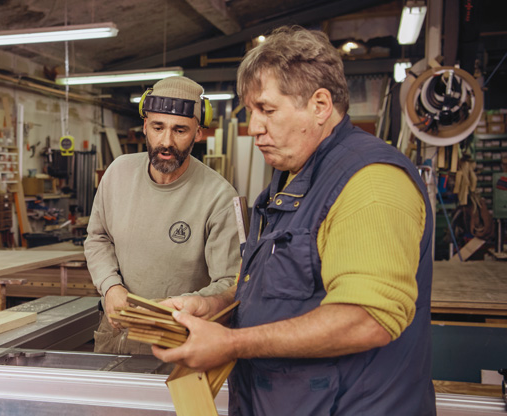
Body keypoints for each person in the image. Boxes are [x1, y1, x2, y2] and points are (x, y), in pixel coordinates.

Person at [152, 26, 435, 415]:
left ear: (319, 105)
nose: (254, 128)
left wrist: (232, 343)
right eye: (250, 111)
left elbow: (366, 320)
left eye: (266, 110)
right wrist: (214, 305)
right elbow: (280, 288)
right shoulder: (291, 179)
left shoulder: (370, 183)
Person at [85, 76, 241, 355]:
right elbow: (97, 238)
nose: (166, 141)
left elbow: (229, 283)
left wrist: (175, 306)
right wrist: (110, 288)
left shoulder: (219, 197)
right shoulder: (118, 173)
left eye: (180, 130)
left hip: (178, 348)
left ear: (198, 133)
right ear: (145, 126)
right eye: (158, 127)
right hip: (114, 339)